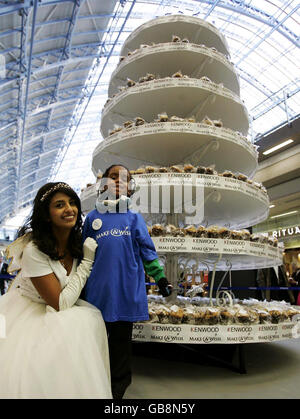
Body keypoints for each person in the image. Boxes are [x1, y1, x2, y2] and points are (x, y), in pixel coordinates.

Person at [0, 182, 112, 399]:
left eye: (72, 203)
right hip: (32, 313)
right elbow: (59, 303)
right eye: (59, 205)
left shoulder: (76, 243)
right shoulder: (34, 249)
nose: (69, 209)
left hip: (63, 308)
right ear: (46, 215)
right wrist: (87, 261)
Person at [82, 164, 172, 399]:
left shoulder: (134, 218)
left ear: (130, 188)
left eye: (124, 178)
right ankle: (95, 385)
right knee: (95, 344)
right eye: (113, 177)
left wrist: (160, 277)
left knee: (121, 346)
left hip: (124, 293)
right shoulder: (91, 218)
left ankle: (117, 391)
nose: (119, 181)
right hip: (97, 296)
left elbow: (147, 250)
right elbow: (82, 256)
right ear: (103, 184)